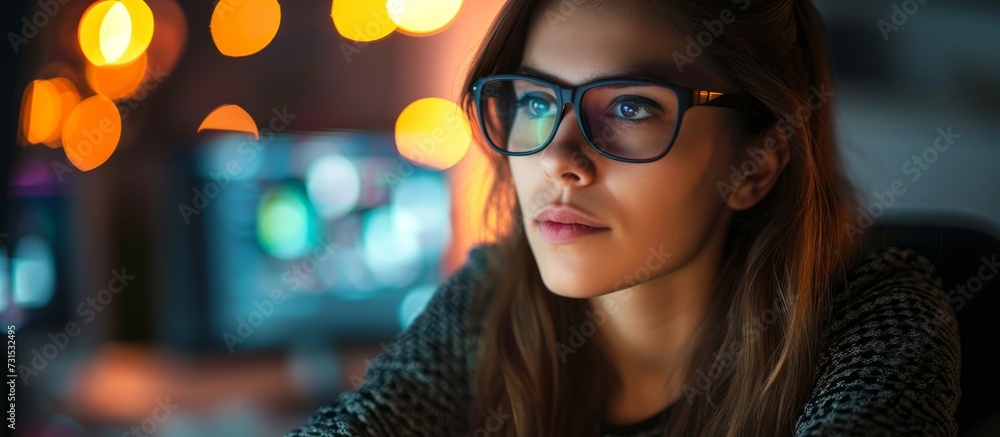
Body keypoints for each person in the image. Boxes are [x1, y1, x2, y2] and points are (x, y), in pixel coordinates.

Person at [285, 0, 960, 435]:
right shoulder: (492, 294)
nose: (559, 159)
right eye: (538, 101)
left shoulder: (878, 320)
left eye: (632, 107)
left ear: (755, 164)